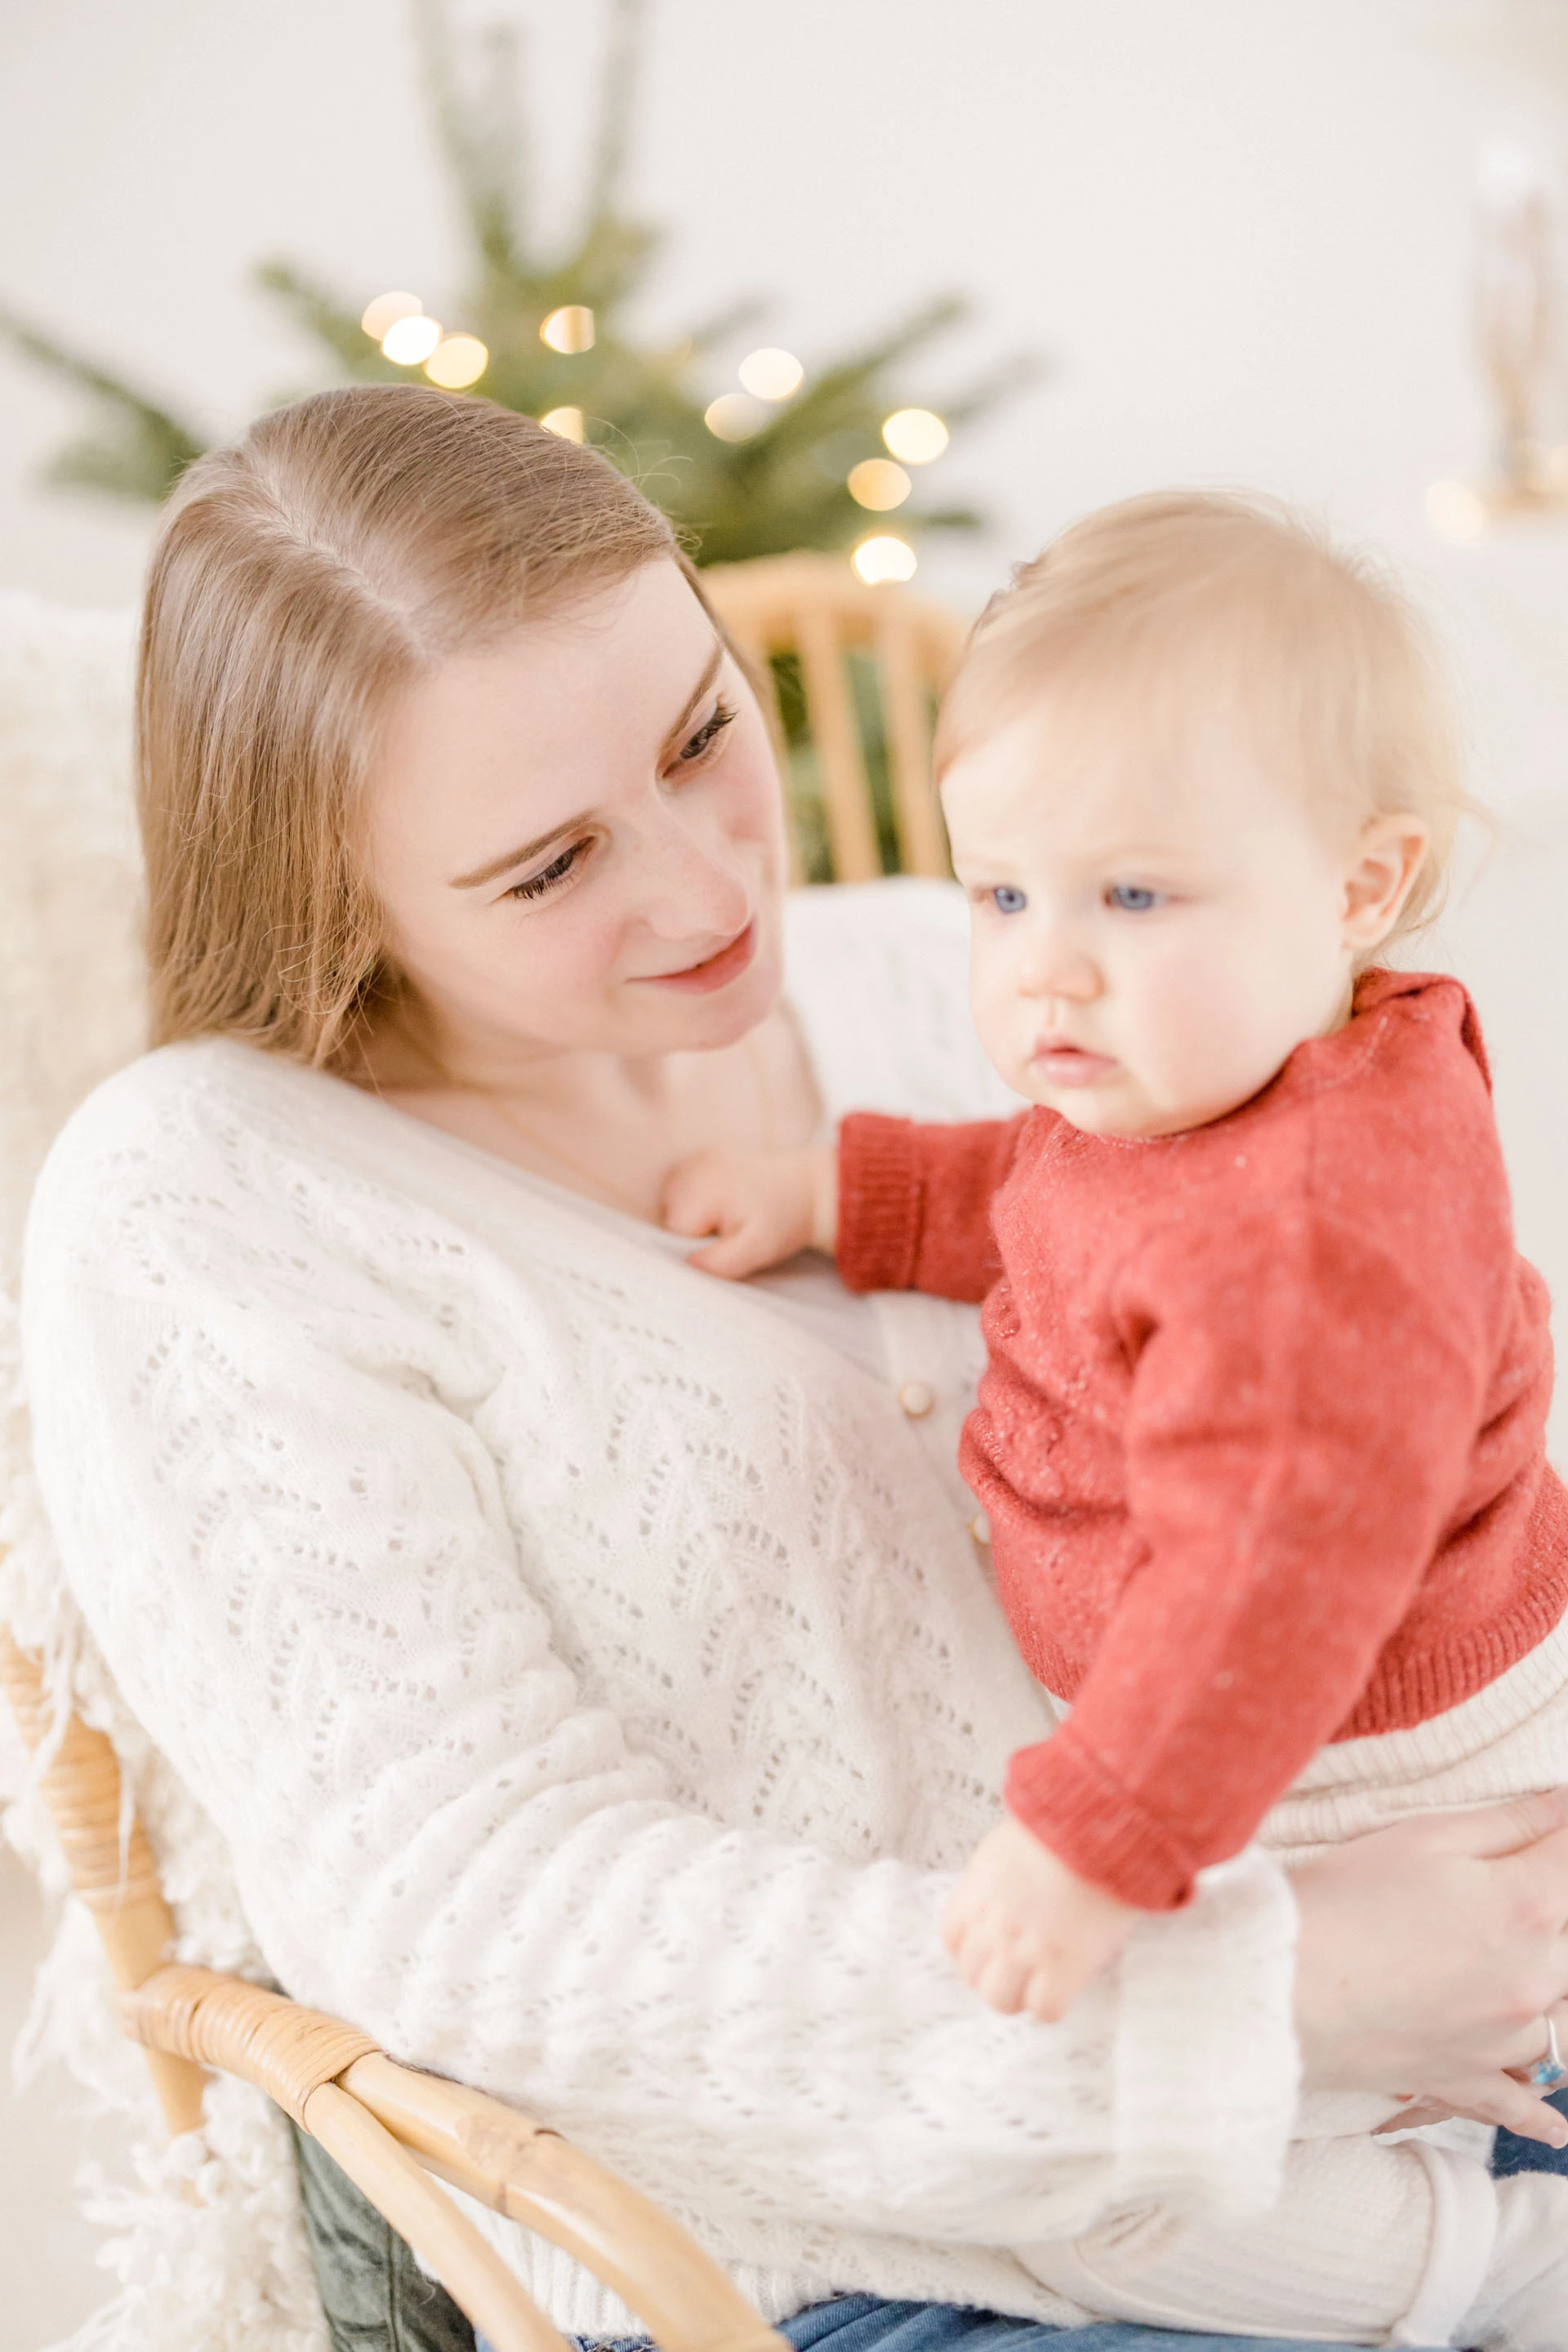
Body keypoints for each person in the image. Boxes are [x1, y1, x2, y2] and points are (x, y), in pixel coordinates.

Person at [18, 390, 1568, 2352]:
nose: (704, 887)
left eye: (698, 735)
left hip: (1435, 2031)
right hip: (864, 2263)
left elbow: (1354, 1434)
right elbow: (476, 1918)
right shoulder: (210, 1206)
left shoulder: (967, 970)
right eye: (550, 866)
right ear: (337, 909)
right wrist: (1246, 2001)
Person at [660, 493, 1568, 2345]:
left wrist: (1094, 1840)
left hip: (1349, 1755)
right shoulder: (1196, 1076)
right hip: (1265, 1737)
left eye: (1132, 896)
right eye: (1003, 894)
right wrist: (846, 1193)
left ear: (1361, 885)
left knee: (1113, 2194)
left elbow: (1271, 1580)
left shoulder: (1322, 1231)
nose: (1045, 966)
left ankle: (1501, 2268)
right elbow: (1044, 1191)